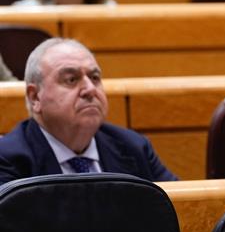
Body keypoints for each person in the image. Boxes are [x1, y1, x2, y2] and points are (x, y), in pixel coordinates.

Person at [0, 39, 177, 184]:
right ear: (35, 97)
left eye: (95, 78)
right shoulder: (7, 160)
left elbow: (179, 210)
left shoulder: (134, 147)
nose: (90, 89)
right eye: (71, 79)